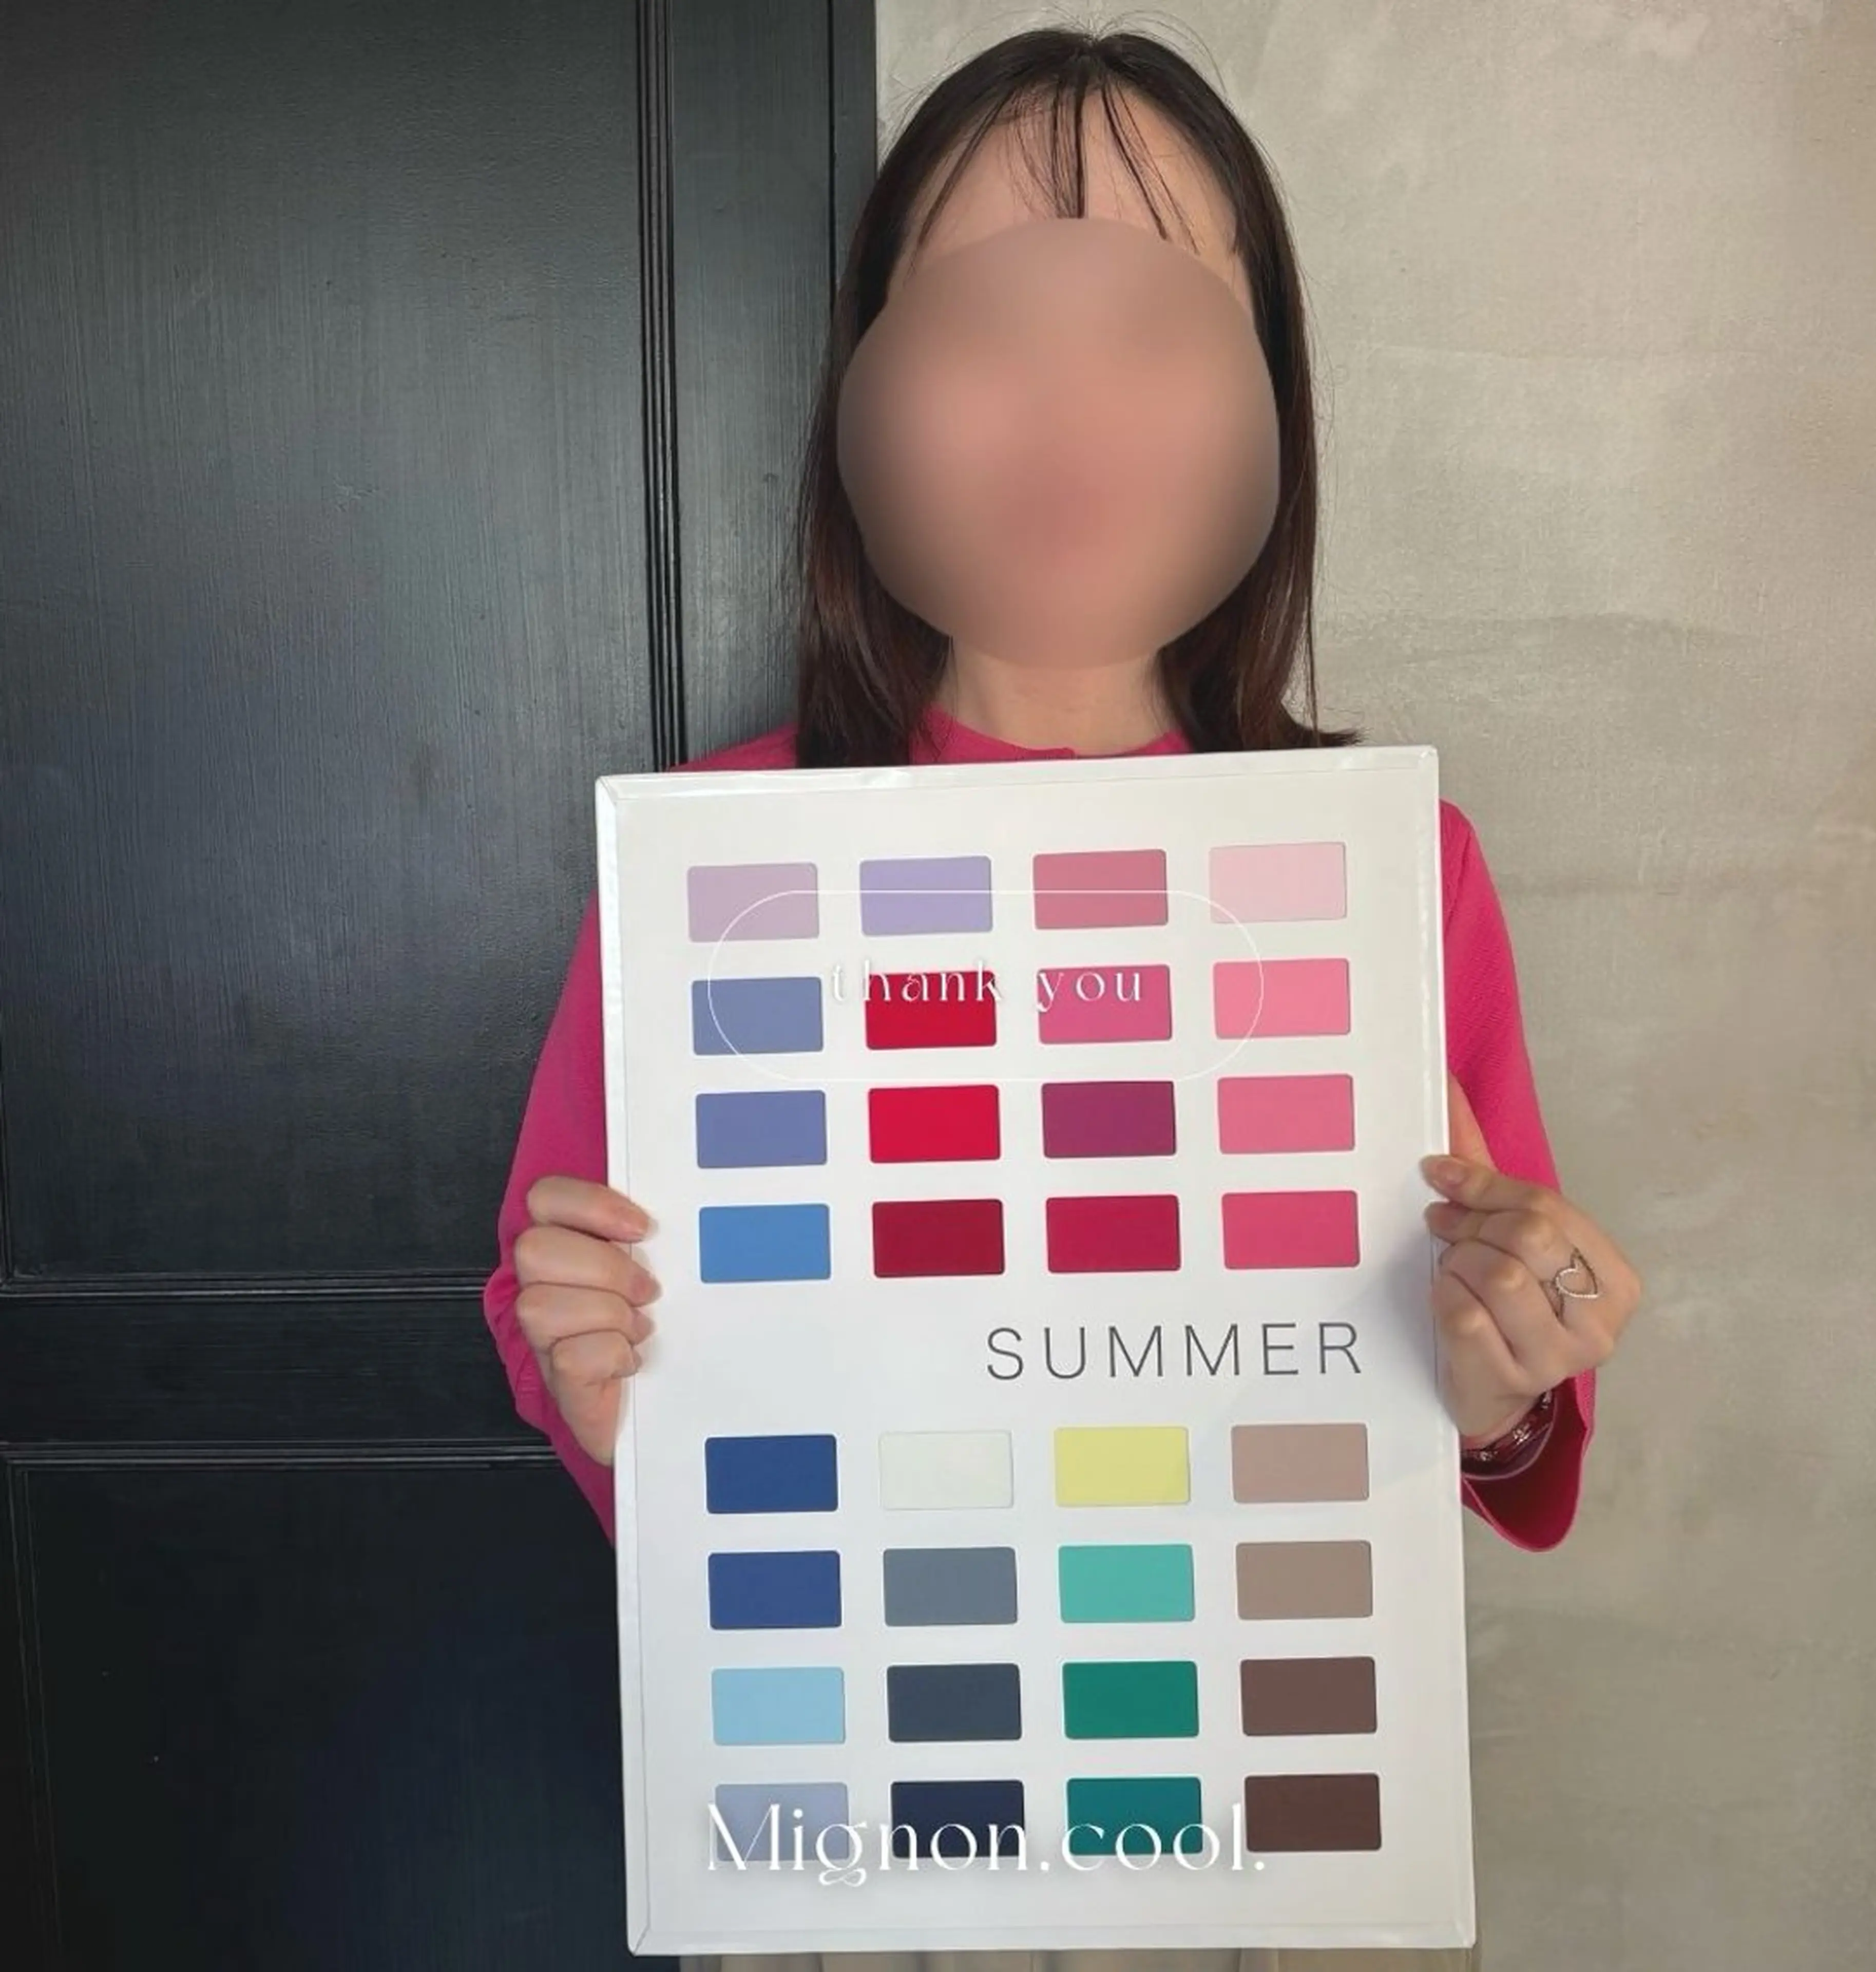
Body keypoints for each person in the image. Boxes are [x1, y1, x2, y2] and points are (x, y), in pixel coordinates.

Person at [481, 27, 1642, 1972]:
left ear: (1267, 395)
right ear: (866, 393)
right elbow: (562, 1317)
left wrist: (1516, 1364)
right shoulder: (717, 867)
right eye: (982, 320)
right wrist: (613, 1392)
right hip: (846, 1816)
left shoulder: (1386, 866)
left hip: (1239, 1812)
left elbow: (1474, 1396)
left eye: (1159, 325)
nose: (1071, 406)